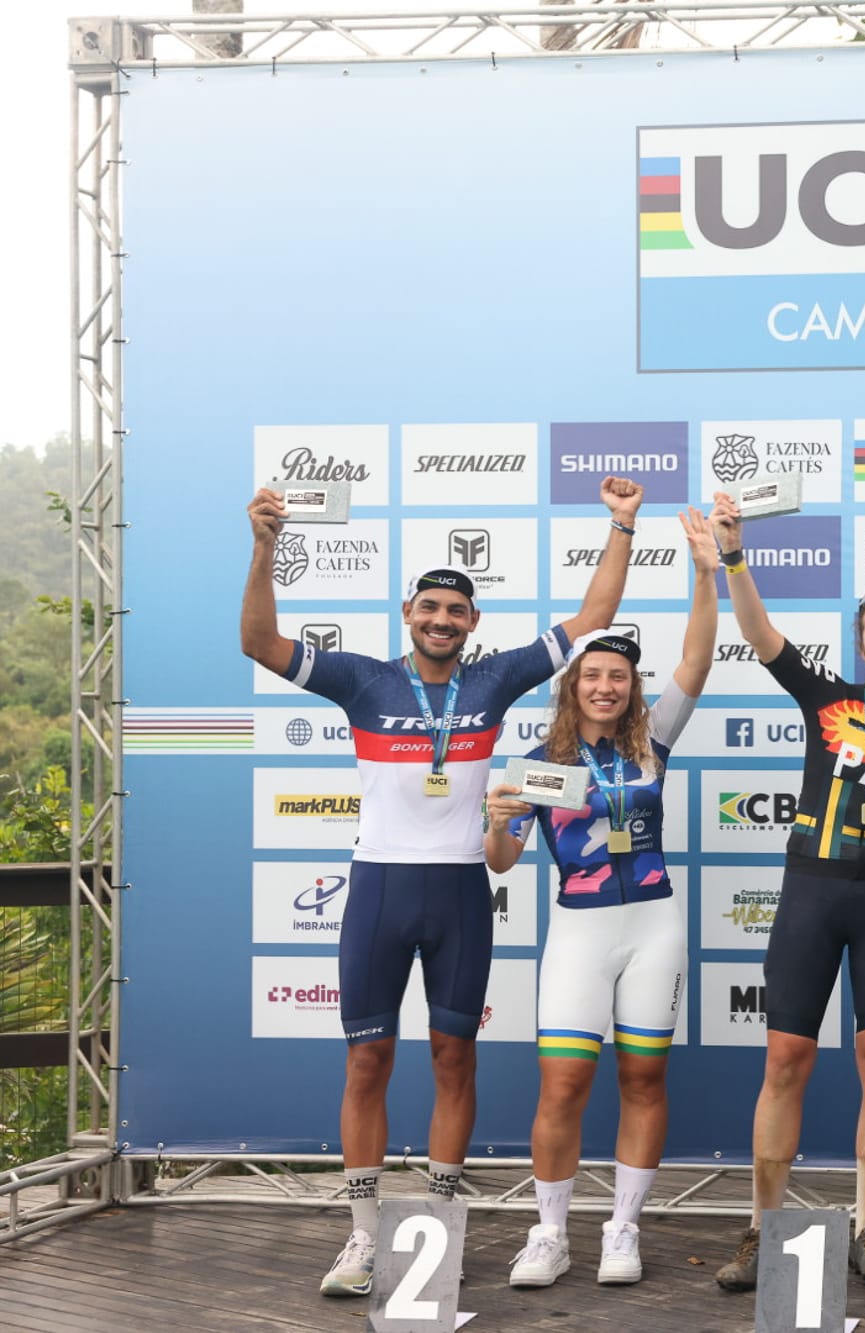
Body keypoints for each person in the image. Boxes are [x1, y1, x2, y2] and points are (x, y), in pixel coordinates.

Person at [239, 476, 644, 1298]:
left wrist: (622, 524)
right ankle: (362, 1234)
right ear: (408, 613)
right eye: (430, 607)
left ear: (472, 623)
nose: (442, 620)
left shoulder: (492, 681)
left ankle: (437, 1220)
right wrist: (264, 545)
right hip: (379, 887)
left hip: (460, 891)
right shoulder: (362, 680)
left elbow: (594, 615)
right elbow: (258, 641)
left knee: (454, 1057)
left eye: (456, 611)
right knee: (367, 1060)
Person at [704, 490, 865, 1292]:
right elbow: (759, 634)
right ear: (862, 645)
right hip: (812, 889)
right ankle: (760, 1227)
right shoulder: (830, 699)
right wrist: (733, 555)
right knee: (786, 1057)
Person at [484, 508, 720, 1289]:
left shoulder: (654, 739)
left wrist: (706, 571)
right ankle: (550, 1232)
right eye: (593, 675)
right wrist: (498, 823)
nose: (606, 686)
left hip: (654, 927)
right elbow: (501, 861)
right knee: (563, 1084)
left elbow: (698, 657)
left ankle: (624, 1227)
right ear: (572, 685)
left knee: (643, 1080)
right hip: (578, 932)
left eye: (618, 676)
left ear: (631, 686)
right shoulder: (535, 762)